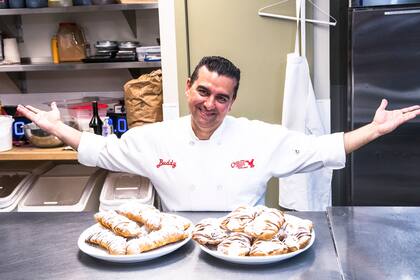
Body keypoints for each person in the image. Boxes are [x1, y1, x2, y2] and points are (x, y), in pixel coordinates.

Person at [17, 56, 420, 211]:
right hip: (177, 246)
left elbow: (319, 149)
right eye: (204, 92)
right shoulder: (156, 138)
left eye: (222, 98)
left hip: (247, 247)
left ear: (233, 102)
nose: (210, 104)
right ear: (188, 87)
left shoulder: (257, 138)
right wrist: (57, 128)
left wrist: (372, 130)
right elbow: (103, 150)